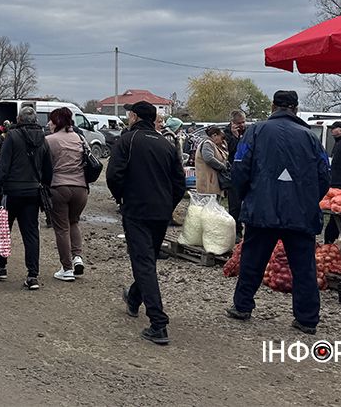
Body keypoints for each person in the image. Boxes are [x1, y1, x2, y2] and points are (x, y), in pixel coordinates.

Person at [226, 90, 331, 336]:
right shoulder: (311, 137)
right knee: (304, 267)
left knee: (253, 259)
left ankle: (242, 306)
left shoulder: (256, 131)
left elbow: (240, 168)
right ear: (295, 108)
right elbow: (325, 174)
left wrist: (244, 197)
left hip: (262, 210)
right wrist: (308, 199)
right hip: (301, 214)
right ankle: (307, 319)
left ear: (272, 106)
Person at [106, 101, 185, 345]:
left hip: (137, 210)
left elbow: (113, 175)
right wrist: (168, 205)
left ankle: (158, 323)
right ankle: (133, 298)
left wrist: (122, 198)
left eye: (130, 114)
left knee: (143, 263)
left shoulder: (127, 141)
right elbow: (179, 183)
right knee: (147, 259)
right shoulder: (167, 144)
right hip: (161, 213)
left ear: (134, 117)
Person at [0, 106, 54, 291]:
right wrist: (44, 185)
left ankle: (1, 266)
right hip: (33, 192)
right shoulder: (43, 139)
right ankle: (32, 275)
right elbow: (48, 168)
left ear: (19, 118)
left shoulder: (12, 136)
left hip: (12, 191)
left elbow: (4, 164)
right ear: (35, 119)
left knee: (4, 230)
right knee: (31, 234)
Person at [45, 107, 88, 282]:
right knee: (74, 222)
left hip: (59, 187)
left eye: (51, 120)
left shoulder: (49, 140)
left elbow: (44, 165)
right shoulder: (79, 138)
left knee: (61, 228)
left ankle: (67, 268)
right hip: (81, 188)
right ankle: (77, 257)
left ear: (57, 122)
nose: (48, 123)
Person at [221, 110, 247, 225]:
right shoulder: (225, 135)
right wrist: (235, 138)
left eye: (243, 122)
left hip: (246, 171)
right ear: (233, 123)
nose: (242, 125)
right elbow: (231, 152)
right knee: (235, 205)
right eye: (239, 123)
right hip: (233, 172)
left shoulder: (247, 132)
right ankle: (235, 229)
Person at [194, 126, 229, 196]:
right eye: (222, 138)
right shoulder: (207, 144)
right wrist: (222, 166)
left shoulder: (214, 145)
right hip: (207, 182)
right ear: (215, 135)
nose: (222, 140)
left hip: (212, 181)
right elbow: (209, 158)